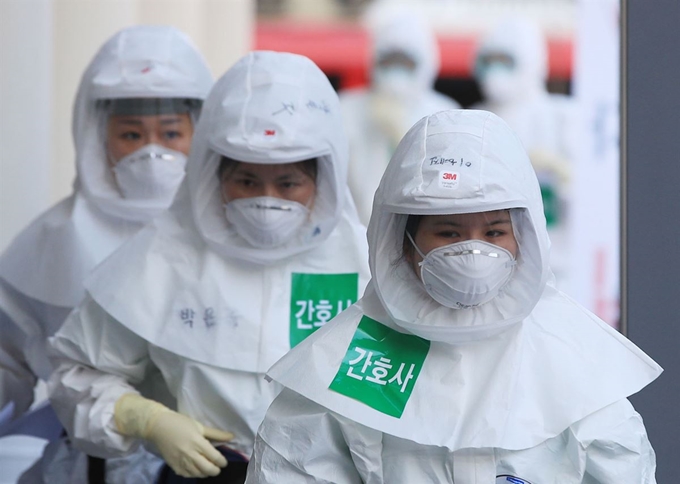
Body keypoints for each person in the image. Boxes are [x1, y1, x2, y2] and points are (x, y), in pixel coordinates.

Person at [245, 110, 662, 483]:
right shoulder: (352, 359)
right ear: (403, 242)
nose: (474, 251)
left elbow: (623, 466)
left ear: (525, 237)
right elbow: (292, 464)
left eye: (495, 233)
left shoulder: (569, 356)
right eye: (449, 232)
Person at [48, 51, 370, 483]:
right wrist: (143, 418)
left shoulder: (364, 269)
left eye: (288, 182)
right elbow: (78, 371)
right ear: (213, 175)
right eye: (247, 181)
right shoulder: (161, 257)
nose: (267, 199)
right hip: (203, 471)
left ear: (323, 178)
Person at [0, 25, 213, 483]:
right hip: (86, 456)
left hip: (212, 458)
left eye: (172, 133)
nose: (152, 153)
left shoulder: (229, 239)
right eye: (132, 136)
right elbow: (7, 358)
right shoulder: (51, 241)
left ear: (203, 133)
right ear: (98, 135)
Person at [473, 16, 576, 289]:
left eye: (506, 60)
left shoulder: (563, 117)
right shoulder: (473, 119)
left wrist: (563, 173)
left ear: (530, 61)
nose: (496, 70)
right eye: (490, 60)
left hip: (559, 270)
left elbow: (597, 197)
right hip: (491, 268)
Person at [340, 3, 459, 225]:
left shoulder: (444, 112)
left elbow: (450, 182)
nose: (396, 69)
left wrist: (402, 138)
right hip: (355, 232)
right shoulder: (348, 108)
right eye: (389, 60)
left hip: (417, 232)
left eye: (405, 61)